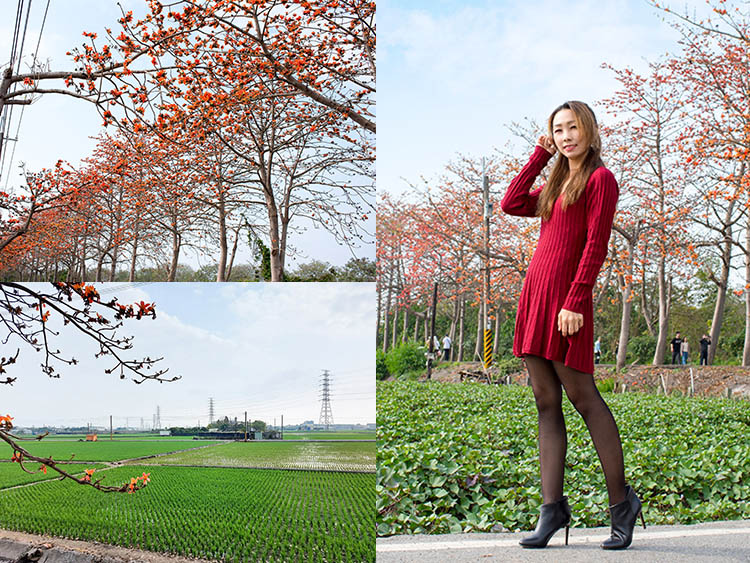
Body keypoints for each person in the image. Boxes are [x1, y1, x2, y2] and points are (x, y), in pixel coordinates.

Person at [501, 101, 644, 550]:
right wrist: (538, 157)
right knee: (546, 401)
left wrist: (576, 300)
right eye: (558, 130)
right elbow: (509, 203)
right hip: (536, 297)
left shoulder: (601, 180)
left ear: (590, 131)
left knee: (584, 398)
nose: (566, 136)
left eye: (573, 128)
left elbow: (595, 246)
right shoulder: (555, 181)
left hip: (567, 304)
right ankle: (552, 509)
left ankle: (621, 504)